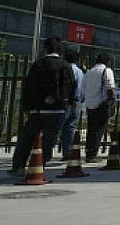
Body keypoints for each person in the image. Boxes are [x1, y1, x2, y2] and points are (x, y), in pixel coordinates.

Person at [8, 37, 76, 176]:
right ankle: (40, 165)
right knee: (49, 139)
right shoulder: (65, 66)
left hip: (38, 109)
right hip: (58, 109)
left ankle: (19, 166)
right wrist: (67, 102)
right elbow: (71, 86)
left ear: (46, 48)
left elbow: (29, 87)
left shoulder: (39, 64)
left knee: (27, 137)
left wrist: (28, 106)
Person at [82, 52, 117, 162]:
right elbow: (110, 88)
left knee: (91, 129)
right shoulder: (107, 71)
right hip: (101, 105)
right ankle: (92, 155)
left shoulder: (89, 72)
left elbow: (83, 89)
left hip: (89, 105)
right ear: (107, 62)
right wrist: (111, 101)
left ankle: (88, 152)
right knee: (100, 129)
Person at [59, 48, 86, 159]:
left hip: (67, 102)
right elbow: (83, 88)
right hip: (78, 102)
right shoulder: (80, 72)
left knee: (57, 126)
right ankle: (68, 152)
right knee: (70, 127)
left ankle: (44, 152)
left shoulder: (66, 69)